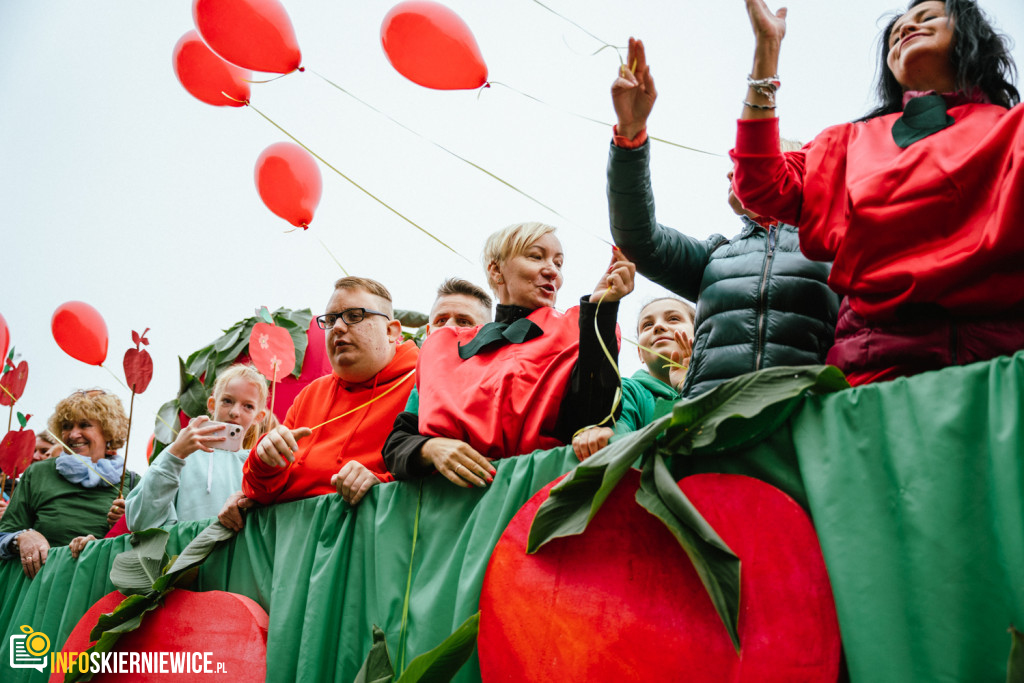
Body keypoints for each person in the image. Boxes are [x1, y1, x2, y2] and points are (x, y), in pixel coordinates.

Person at [732, 0, 1023, 384]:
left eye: (927, 17)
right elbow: (759, 184)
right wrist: (766, 51)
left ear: (969, 34)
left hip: (1000, 371)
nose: (905, 30)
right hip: (874, 375)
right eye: (896, 31)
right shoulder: (846, 143)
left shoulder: (1014, 131)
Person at [608, 39, 839, 398]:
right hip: (708, 419)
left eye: (750, 163)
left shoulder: (836, 243)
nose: (732, 175)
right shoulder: (715, 256)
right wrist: (630, 135)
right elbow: (638, 239)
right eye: (733, 167)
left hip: (807, 416)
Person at [383, 221, 635, 486]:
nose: (552, 271)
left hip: (536, 494)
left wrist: (601, 311)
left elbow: (593, 415)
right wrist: (430, 449)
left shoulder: (577, 331)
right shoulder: (443, 347)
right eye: (536, 256)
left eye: (559, 263)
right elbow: (398, 443)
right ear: (495, 270)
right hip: (452, 508)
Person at [241, 276, 418, 508]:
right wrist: (263, 460)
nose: (338, 327)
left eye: (355, 316)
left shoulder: (420, 383)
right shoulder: (310, 394)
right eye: (331, 319)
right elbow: (261, 492)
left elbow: (435, 476)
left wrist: (382, 485)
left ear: (391, 331)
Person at [0, 389, 138, 578]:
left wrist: (129, 524)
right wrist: (22, 537)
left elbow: (152, 546)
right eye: (66, 426)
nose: (73, 435)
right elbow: (4, 535)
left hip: (101, 590)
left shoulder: (133, 482)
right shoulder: (39, 472)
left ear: (108, 431)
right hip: (42, 588)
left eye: (84, 425)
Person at [121, 365, 269, 532]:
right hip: (182, 556)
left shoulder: (257, 466)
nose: (235, 412)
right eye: (227, 401)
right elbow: (140, 521)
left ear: (259, 417)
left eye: (248, 406)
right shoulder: (181, 454)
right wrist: (175, 453)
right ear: (212, 405)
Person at [573, 297, 696, 459]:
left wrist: (687, 389)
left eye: (673, 319)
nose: (658, 326)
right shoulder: (629, 390)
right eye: (647, 325)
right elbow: (621, 423)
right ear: (640, 354)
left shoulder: (720, 381)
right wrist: (605, 434)